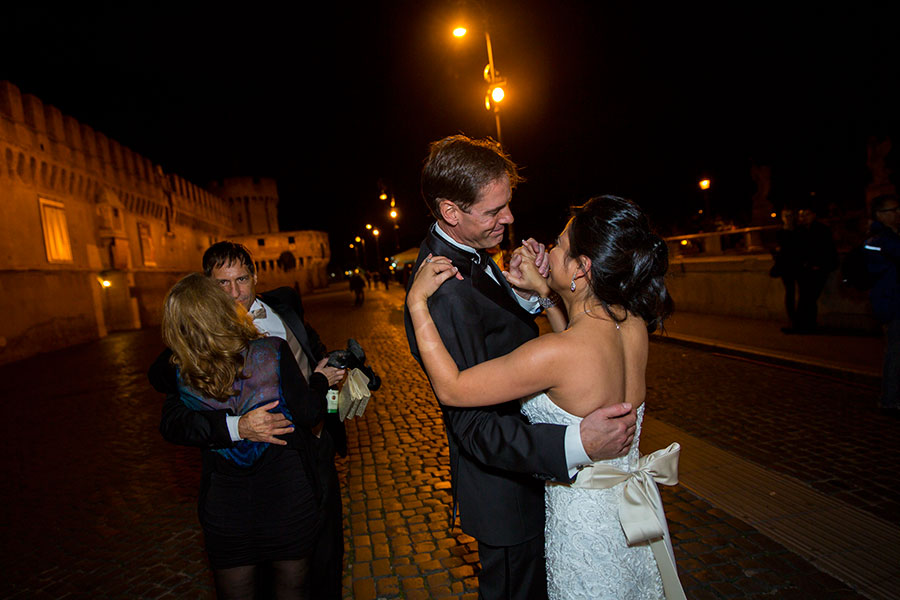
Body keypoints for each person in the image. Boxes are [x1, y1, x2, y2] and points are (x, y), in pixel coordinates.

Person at [408, 195, 683, 600]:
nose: (547, 249)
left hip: (584, 529)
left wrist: (416, 304)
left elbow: (452, 387)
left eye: (559, 244)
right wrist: (545, 292)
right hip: (630, 519)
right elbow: (577, 342)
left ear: (581, 267)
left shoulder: (555, 355)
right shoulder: (633, 324)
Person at [149, 242, 346, 599]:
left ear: (255, 277)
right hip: (238, 482)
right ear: (209, 288)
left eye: (241, 279)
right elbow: (173, 415)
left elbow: (313, 353)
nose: (235, 291)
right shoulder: (187, 352)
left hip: (308, 451)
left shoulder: (285, 304)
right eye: (223, 284)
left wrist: (329, 382)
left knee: (323, 552)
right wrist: (235, 426)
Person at [865, 194, 900, 417]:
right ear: (880, 214)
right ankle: (890, 398)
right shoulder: (877, 240)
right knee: (896, 352)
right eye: (892, 210)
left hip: (893, 299)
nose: (898, 214)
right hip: (892, 302)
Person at [783, 203, 838, 333]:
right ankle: (804, 324)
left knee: (809, 297)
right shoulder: (800, 230)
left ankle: (804, 324)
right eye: (801, 215)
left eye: (806, 215)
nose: (803, 218)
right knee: (806, 297)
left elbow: (825, 250)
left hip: (818, 268)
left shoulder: (821, 230)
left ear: (813, 215)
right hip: (805, 269)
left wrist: (818, 264)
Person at [771, 207, 800, 328]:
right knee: (790, 292)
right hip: (787, 266)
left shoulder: (798, 231)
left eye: (789, 215)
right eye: (785, 216)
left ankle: (798, 318)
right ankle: (792, 318)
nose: (788, 218)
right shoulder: (781, 232)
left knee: (800, 293)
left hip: (798, 264)